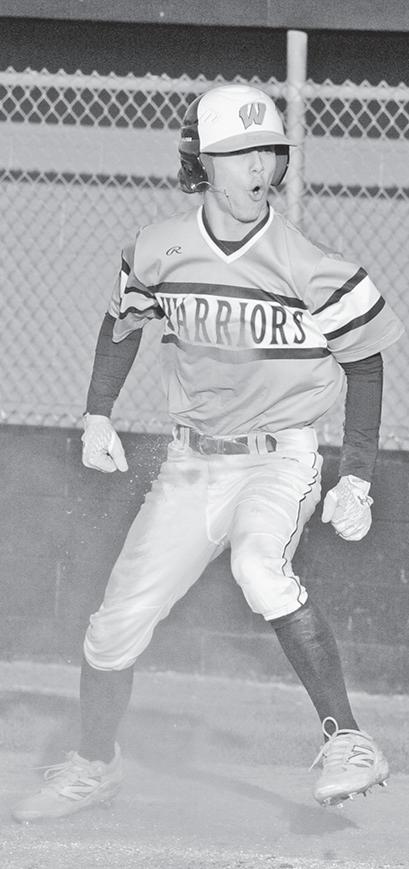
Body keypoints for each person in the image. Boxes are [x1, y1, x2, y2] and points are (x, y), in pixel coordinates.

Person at [13, 83, 402, 822]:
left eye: (268, 152)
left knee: (259, 566)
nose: (259, 167)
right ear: (202, 163)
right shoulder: (157, 249)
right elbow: (122, 323)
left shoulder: (311, 264)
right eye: (239, 153)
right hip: (191, 465)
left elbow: (365, 362)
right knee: (113, 625)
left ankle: (350, 739)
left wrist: (355, 476)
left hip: (278, 459)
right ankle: (95, 764)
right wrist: (97, 414)